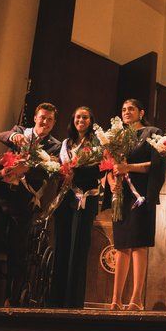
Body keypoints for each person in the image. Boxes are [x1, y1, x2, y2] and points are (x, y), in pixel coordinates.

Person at [0, 103, 62, 306]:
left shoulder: (55, 146)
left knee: (18, 252)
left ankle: (12, 301)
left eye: (49, 119)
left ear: (54, 123)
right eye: (42, 117)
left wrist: (27, 169)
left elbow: (51, 170)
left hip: (24, 202)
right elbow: (2, 135)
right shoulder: (21, 131)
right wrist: (13, 137)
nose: (45, 122)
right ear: (35, 118)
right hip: (1, 195)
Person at [106, 99, 164, 311]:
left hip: (141, 195)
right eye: (123, 109)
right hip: (122, 194)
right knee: (121, 246)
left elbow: (157, 165)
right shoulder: (116, 136)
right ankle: (116, 299)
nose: (126, 112)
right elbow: (109, 166)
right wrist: (112, 183)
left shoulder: (152, 132)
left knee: (139, 245)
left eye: (131, 109)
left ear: (141, 111)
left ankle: (136, 298)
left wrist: (128, 167)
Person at [48, 106, 102, 308]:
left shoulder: (97, 144)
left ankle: (73, 301)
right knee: (61, 245)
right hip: (64, 198)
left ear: (91, 121)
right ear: (73, 120)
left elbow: (99, 170)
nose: (81, 120)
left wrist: (76, 174)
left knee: (78, 249)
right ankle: (56, 300)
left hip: (84, 199)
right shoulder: (66, 143)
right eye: (78, 116)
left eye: (85, 117)